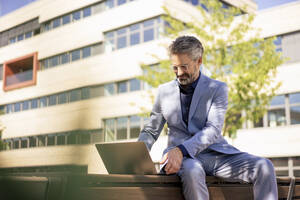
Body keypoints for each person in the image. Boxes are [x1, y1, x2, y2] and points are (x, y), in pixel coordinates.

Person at [138, 35, 278, 200]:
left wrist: (181, 150)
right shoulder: (164, 91)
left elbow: (213, 130)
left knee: (264, 166)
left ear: (199, 61)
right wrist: (136, 156)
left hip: (215, 155)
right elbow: (151, 130)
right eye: (175, 68)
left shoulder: (217, 89)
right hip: (183, 161)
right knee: (193, 171)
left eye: (184, 66)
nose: (179, 73)